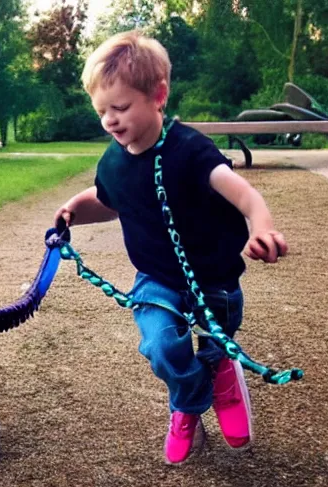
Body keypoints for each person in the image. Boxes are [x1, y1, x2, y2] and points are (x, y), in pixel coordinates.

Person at [53, 31, 288, 465]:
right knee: (162, 348)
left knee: (215, 345)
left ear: (158, 95)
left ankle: (221, 375)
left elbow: (246, 197)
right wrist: (72, 211)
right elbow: (108, 202)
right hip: (155, 280)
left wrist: (263, 229)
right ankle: (190, 401)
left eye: (120, 107)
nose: (110, 120)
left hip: (213, 278)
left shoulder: (192, 151)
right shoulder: (113, 161)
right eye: (102, 110)